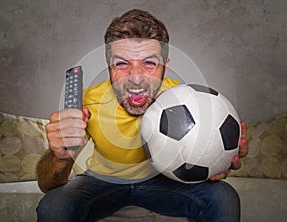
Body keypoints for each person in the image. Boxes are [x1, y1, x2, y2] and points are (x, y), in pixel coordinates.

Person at [36, 9, 248, 222]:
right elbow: (47, 185)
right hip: (101, 182)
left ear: (165, 65)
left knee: (223, 196)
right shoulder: (87, 103)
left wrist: (218, 160)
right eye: (121, 63)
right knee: (54, 206)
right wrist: (60, 157)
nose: (135, 79)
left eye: (149, 63)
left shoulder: (187, 101)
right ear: (109, 66)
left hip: (163, 181)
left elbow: (206, 157)